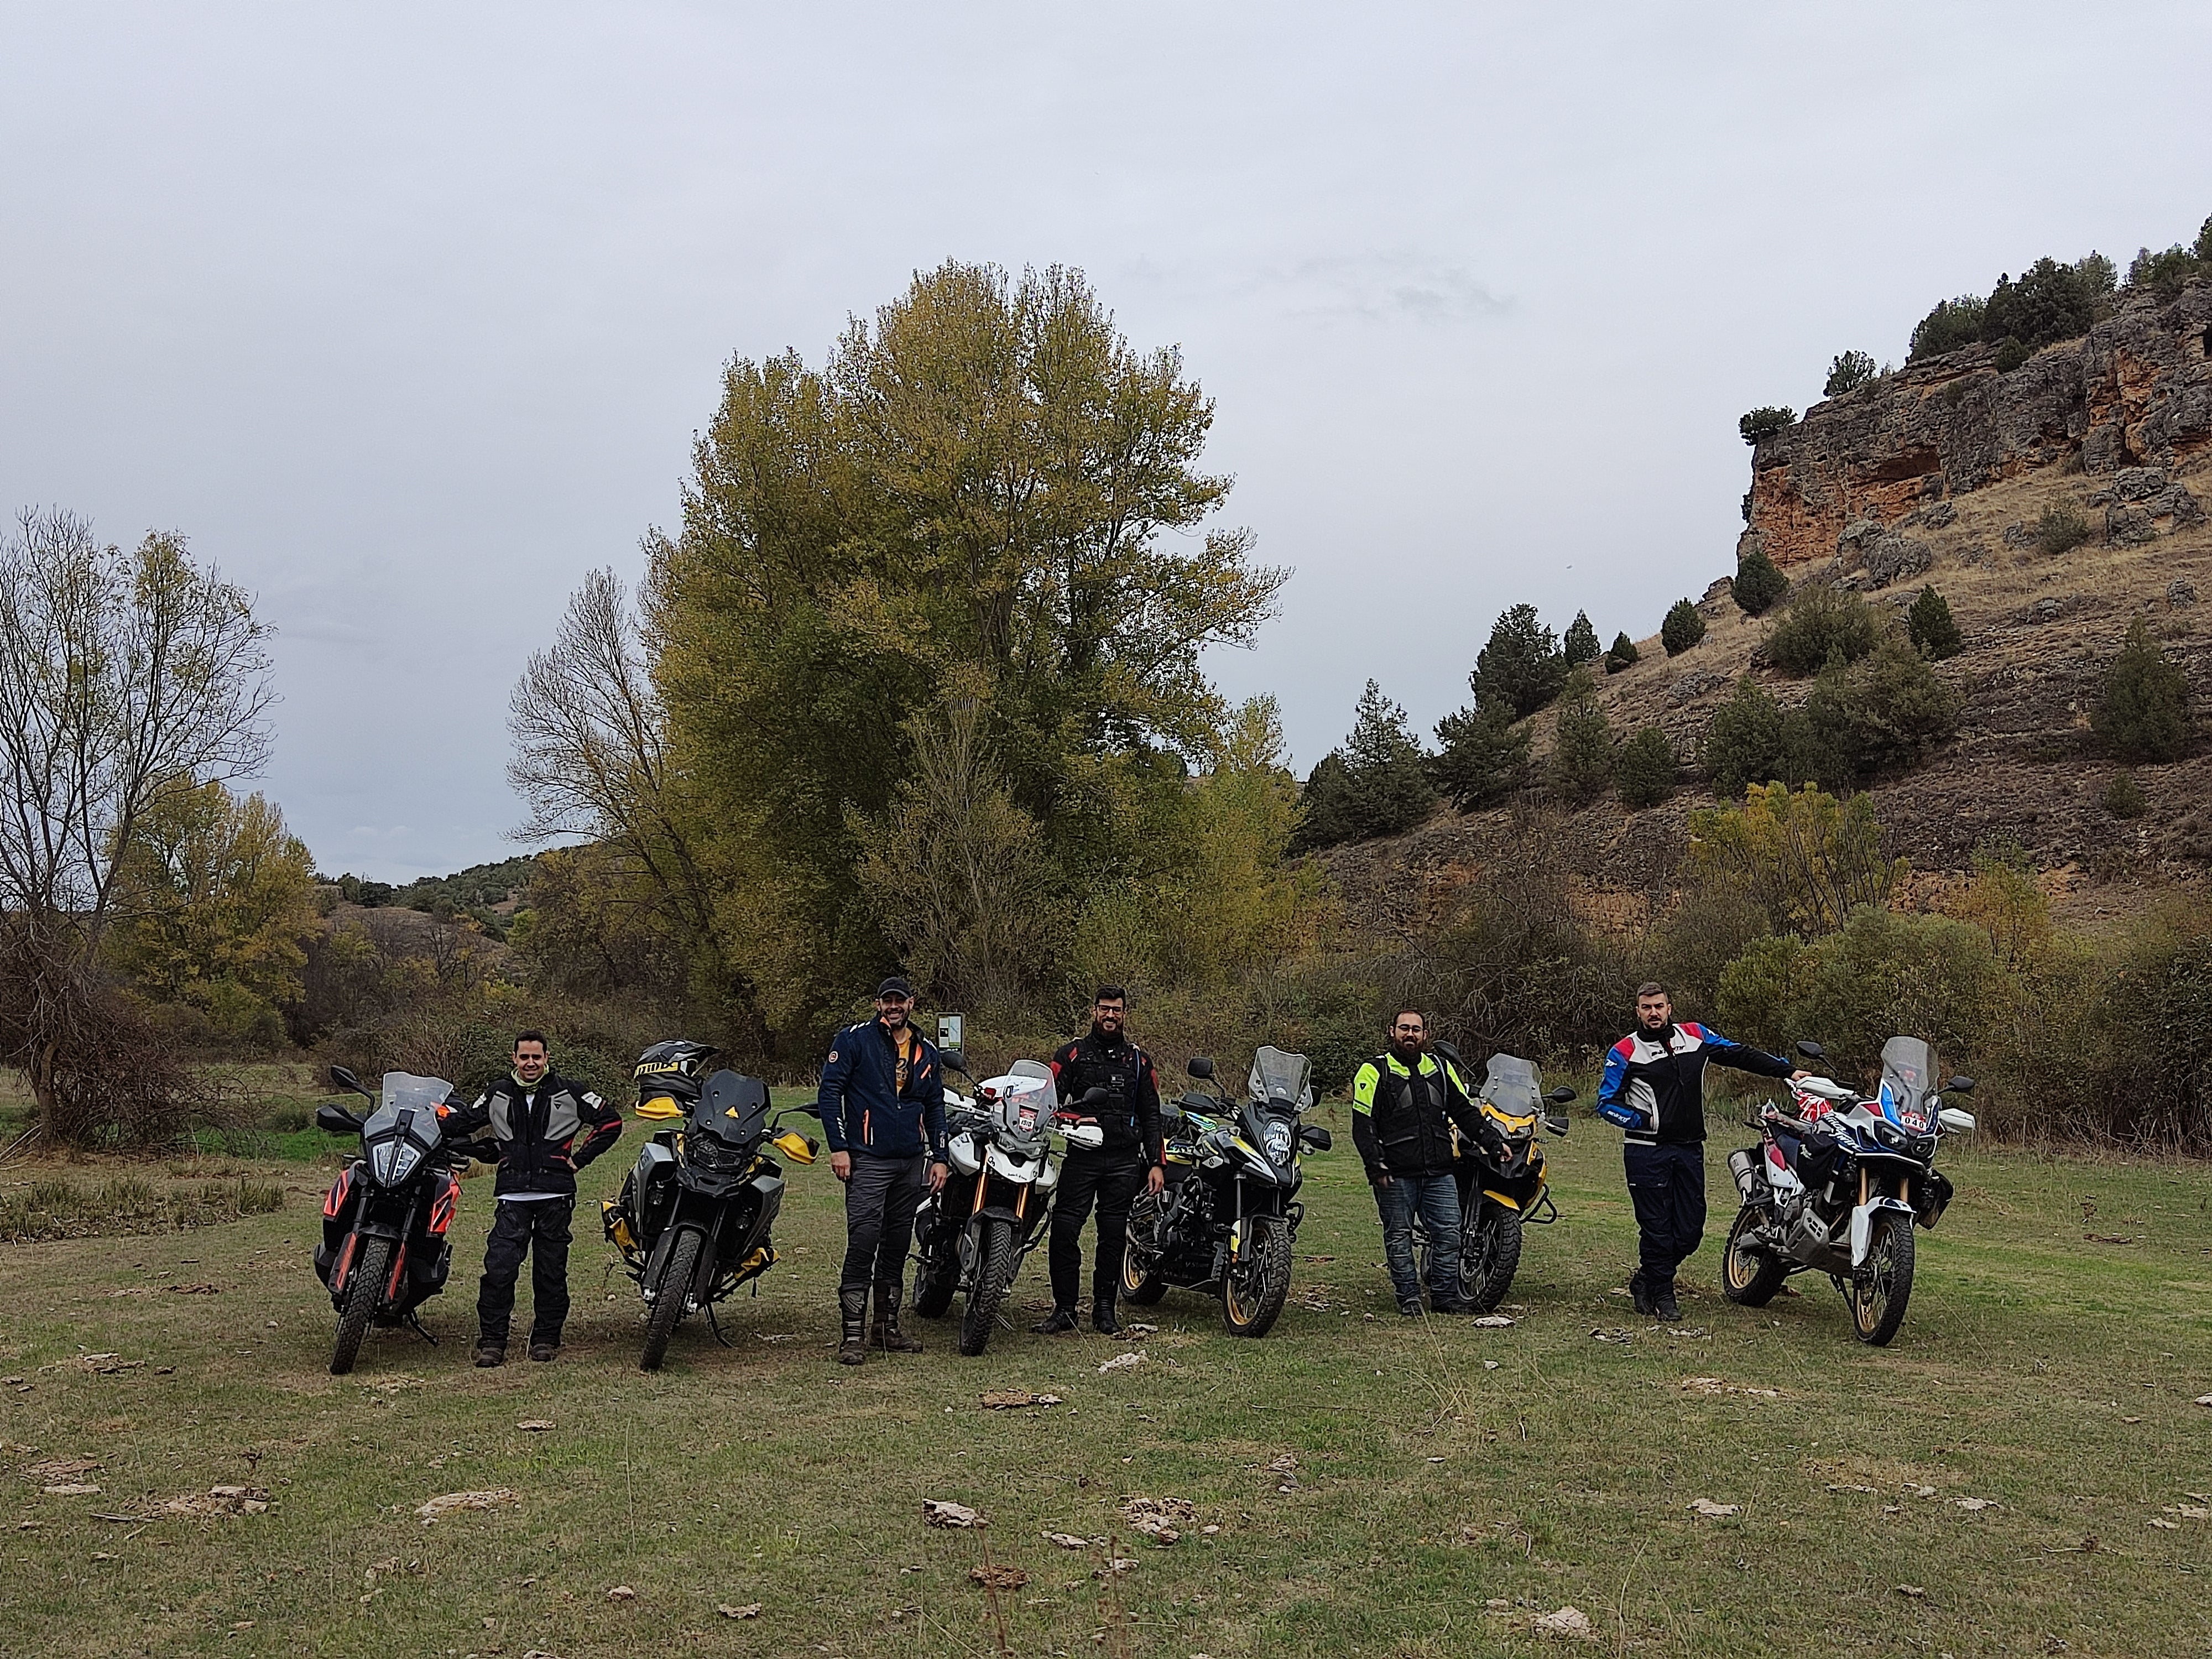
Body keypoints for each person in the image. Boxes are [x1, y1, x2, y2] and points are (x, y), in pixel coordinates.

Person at [1595, 982, 1803, 1322]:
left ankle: (1647, 1279)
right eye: (1646, 1008)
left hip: (1690, 1148)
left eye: (1659, 1006)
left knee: (1691, 1230)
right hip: (1646, 1153)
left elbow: (1741, 1054)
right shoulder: (1624, 1051)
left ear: (1669, 1007)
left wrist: (1787, 1071)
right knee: (1656, 1227)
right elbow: (1606, 1104)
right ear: (1638, 1012)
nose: (1653, 1013)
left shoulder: (1694, 1035)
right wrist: (1642, 1120)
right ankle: (1664, 1295)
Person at [453, 1030, 622, 1367]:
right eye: (524, 1057)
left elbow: (611, 1121)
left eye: (537, 1057)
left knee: (550, 1272)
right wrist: (435, 1116)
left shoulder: (570, 1091)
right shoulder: (497, 1092)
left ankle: (545, 1338)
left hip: (555, 1196)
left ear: (547, 1058)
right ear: (514, 1059)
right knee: (499, 1270)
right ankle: (493, 1342)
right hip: (512, 1195)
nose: (530, 1063)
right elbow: (464, 1122)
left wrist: (581, 1158)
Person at [819, 976, 949, 1365]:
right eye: (887, 1001)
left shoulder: (926, 1051)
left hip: (910, 1159)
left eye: (900, 1001)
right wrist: (839, 1148)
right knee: (863, 1240)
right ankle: (853, 1336)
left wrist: (939, 1156)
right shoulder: (854, 1040)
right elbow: (830, 1093)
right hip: (867, 1158)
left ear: (911, 1003)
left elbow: (936, 1106)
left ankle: (886, 1329)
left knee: (896, 1245)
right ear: (878, 1005)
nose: (894, 1007)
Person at [1349, 1010, 1505, 1316]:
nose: (1410, 1034)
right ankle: (1409, 1298)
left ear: (1425, 1035)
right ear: (1391, 1031)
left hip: (1439, 1172)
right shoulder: (1372, 1071)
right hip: (1394, 1174)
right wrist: (1375, 1165)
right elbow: (1362, 1126)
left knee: (1449, 1235)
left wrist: (1493, 1141)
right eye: (1404, 1028)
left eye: (1416, 1029)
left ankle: (1445, 1299)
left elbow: (1465, 1112)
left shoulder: (1441, 1068)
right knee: (1399, 1236)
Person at [1034, 986, 1165, 1338]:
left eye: (1117, 1010)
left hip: (1124, 1161)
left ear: (1125, 1014)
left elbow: (1152, 1115)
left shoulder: (1139, 1061)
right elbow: (1048, 1098)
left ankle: (1105, 1311)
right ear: (1094, 1012)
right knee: (1064, 1230)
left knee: (1112, 1237)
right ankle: (1064, 1310)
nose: (1111, 1016)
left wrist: (1156, 1163)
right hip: (1082, 1157)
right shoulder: (1073, 1054)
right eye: (1105, 1009)